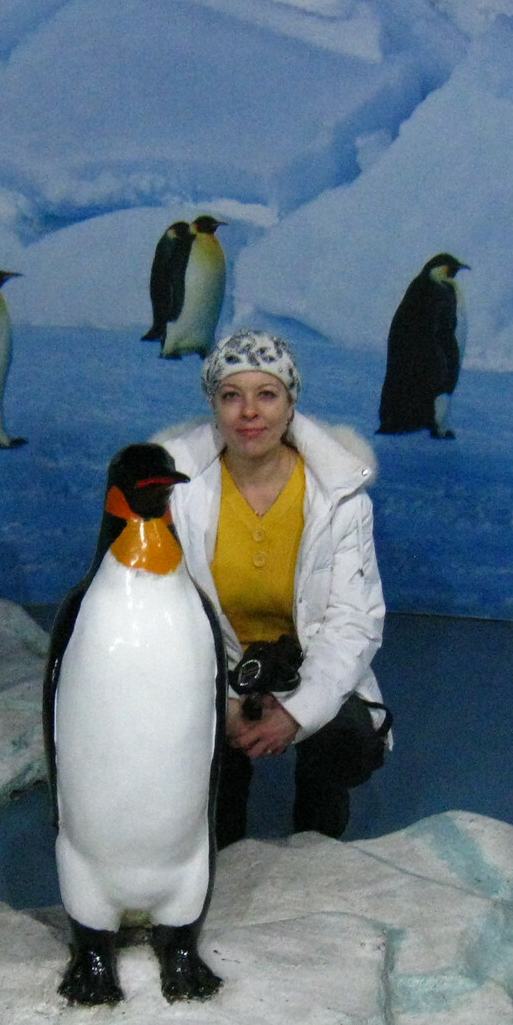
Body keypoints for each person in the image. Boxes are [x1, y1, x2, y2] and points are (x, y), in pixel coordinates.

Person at [156, 330, 389, 847]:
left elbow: (354, 619)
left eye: (266, 394)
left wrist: (297, 713)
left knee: (346, 738)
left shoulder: (339, 497)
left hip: (305, 662)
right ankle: (218, 834)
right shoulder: (173, 495)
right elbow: (162, 617)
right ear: (213, 406)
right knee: (200, 757)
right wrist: (220, 700)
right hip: (214, 664)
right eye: (231, 395)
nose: (249, 412)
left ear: (290, 405)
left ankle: (318, 832)